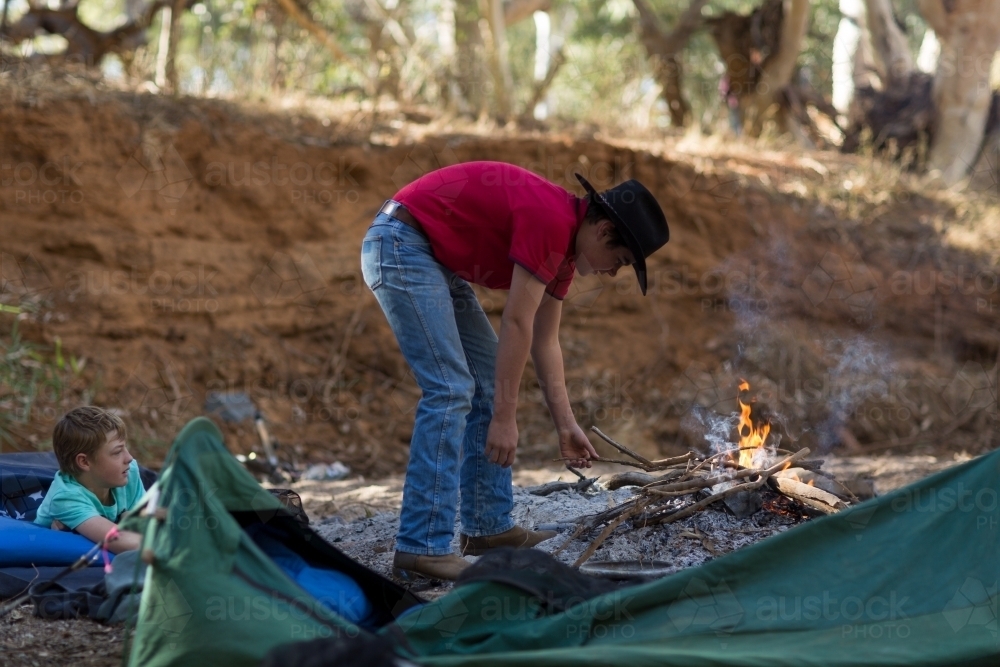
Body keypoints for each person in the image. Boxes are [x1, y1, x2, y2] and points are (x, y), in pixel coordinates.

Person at [360, 161, 670, 580]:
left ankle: (488, 528)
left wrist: (566, 425)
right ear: (602, 231)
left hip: (433, 257)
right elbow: (517, 323)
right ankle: (421, 546)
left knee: (486, 380)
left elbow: (545, 340)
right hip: (401, 243)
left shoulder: (565, 251)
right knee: (451, 388)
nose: (613, 272)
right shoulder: (551, 220)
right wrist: (504, 419)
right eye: (620, 259)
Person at [34, 406, 144, 553]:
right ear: (85, 462)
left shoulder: (129, 472)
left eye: (125, 448)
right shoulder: (65, 497)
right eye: (117, 452)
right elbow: (124, 542)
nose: (129, 458)